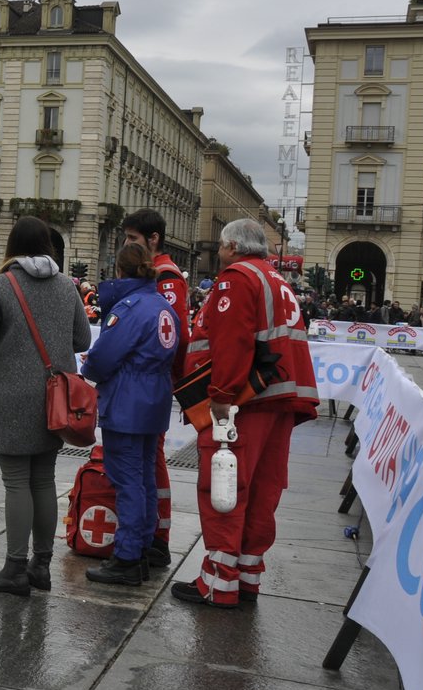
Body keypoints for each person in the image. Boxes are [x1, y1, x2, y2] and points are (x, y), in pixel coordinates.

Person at [173, 217, 318, 608]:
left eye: (221, 246)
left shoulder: (236, 278)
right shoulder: (277, 280)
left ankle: (218, 583)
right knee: (260, 492)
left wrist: (221, 394)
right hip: (279, 400)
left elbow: (233, 339)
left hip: (245, 402)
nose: (220, 253)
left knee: (225, 488)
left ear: (232, 247)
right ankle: (248, 577)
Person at [0, 216, 91, 595]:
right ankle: (42, 566)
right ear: (49, 246)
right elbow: (83, 338)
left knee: (16, 480)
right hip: (57, 398)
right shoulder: (67, 286)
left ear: (12, 247)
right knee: (43, 479)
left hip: (10, 395)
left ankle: (15, 568)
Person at [79, 243, 178, 585]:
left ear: (119, 271)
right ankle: (144, 547)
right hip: (155, 398)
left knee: (127, 479)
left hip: (127, 401)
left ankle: (127, 556)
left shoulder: (130, 308)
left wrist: (88, 367)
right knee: (146, 477)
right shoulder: (162, 305)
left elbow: (104, 357)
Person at [120, 208, 189, 568]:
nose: (127, 245)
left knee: (151, 463)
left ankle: (158, 536)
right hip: (147, 385)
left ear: (153, 239)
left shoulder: (167, 278)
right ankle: (149, 534)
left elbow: (173, 336)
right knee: (146, 462)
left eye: (133, 239)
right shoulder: (156, 274)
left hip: (151, 385)